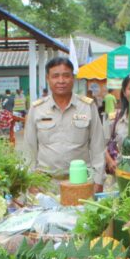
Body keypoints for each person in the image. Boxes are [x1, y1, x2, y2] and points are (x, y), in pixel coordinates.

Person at [24, 57, 105, 189]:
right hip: (45, 184)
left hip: (81, 182)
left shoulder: (87, 107)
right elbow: (29, 149)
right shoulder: (37, 109)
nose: (61, 81)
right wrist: (30, 181)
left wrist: (99, 180)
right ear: (47, 78)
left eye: (66, 76)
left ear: (73, 78)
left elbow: (98, 147)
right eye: (55, 76)